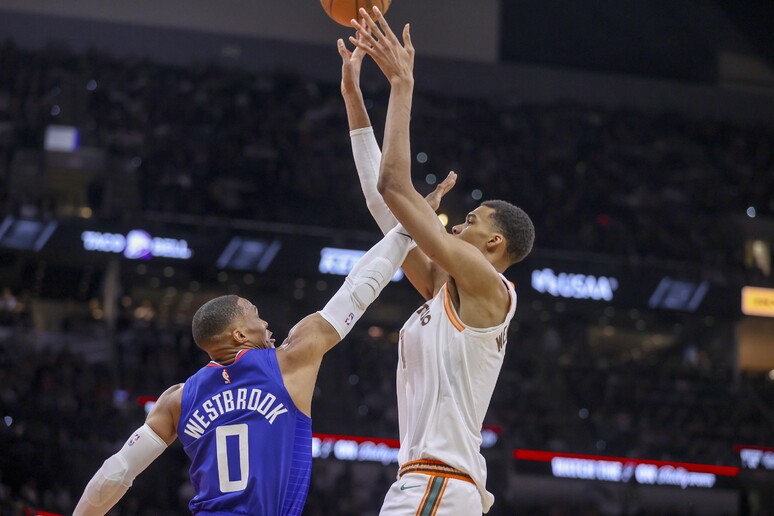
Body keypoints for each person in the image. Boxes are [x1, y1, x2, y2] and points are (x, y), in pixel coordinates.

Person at [72, 180, 455, 516]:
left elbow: (117, 472)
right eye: (255, 316)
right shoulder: (289, 360)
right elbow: (357, 290)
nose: (265, 322)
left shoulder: (176, 400)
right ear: (239, 334)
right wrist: (409, 225)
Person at [340, 8, 535, 515]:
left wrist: (402, 85)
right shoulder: (442, 290)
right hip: (432, 485)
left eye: (469, 220)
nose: (455, 224)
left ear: (493, 244)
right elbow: (383, 207)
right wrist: (354, 103)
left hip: (437, 485)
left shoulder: (489, 285)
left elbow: (395, 187)